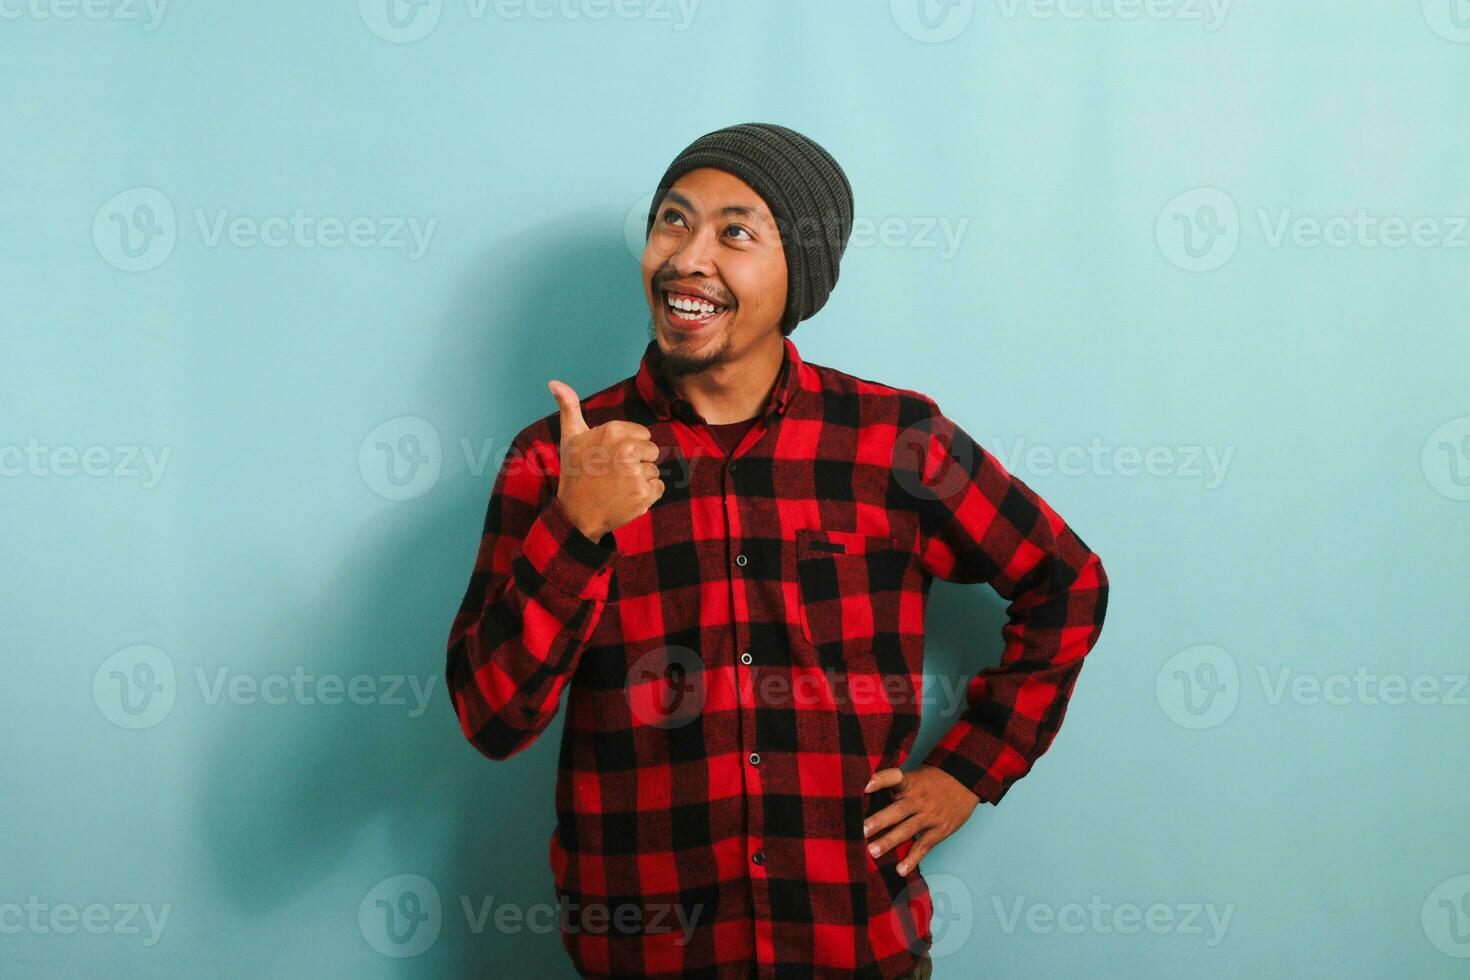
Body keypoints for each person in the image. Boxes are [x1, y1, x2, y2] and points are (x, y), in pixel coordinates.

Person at [446, 122, 1110, 979]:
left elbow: (1067, 583)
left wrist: (967, 772)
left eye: (736, 231)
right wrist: (579, 528)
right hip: (647, 953)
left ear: (801, 274)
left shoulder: (893, 441)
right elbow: (492, 720)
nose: (690, 256)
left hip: (852, 941)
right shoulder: (559, 456)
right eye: (673, 222)